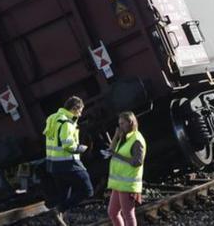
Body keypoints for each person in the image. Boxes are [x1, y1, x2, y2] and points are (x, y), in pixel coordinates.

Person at [44, 96, 93, 226]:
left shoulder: (53, 118)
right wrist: (80, 149)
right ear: (74, 109)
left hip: (54, 165)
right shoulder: (67, 123)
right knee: (88, 190)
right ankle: (58, 211)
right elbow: (67, 145)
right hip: (68, 164)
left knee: (63, 195)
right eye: (80, 110)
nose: (81, 113)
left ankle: (60, 220)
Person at [103, 111, 146, 226]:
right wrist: (116, 136)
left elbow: (138, 162)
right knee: (112, 212)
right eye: (119, 124)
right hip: (119, 183)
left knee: (128, 214)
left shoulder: (137, 140)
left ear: (130, 123)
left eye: (122, 123)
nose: (120, 126)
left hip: (128, 184)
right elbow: (111, 151)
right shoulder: (125, 137)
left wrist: (118, 156)